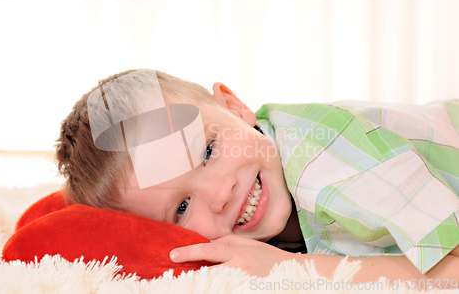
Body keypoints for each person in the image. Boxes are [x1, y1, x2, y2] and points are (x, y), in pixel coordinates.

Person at [55, 68, 459, 285]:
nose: (219, 193)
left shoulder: (327, 160)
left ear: (235, 106)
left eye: (208, 151)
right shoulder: (262, 172)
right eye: (181, 207)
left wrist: (290, 267)